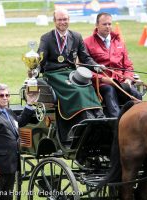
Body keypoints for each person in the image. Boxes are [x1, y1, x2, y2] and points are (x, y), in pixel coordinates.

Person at [37, 8, 104, 141]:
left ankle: (99, 115)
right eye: (60, 19)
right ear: (54, 21)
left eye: (65, 19)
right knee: (76, 90)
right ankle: (86, 119)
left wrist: (96, 66)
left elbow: (85, 57)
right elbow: (40, 59)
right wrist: (34, 70)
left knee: (87, 86)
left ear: (69, 20)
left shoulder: (77, 36)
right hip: (53, 74)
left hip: (72, 72)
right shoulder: (46, 38)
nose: (63, 22)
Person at [0, 83, 38, 200]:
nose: (5, 97)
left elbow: (20, 123)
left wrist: (30, 103)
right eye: (1, 95)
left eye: (7, 95)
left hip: (11, 165)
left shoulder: (8, 112)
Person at [84, 12, 142, 117]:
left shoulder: (119, 42)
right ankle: (116, 121)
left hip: (121, 82)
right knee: (109, 90)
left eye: (110, 24)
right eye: (104, 24)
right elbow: (85, 69)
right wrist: (102, 79)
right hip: (101, 84)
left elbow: (128, 66)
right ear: (97, 25)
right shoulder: (87, 43)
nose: (108, 27)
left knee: (137, 95)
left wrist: (128, 79)